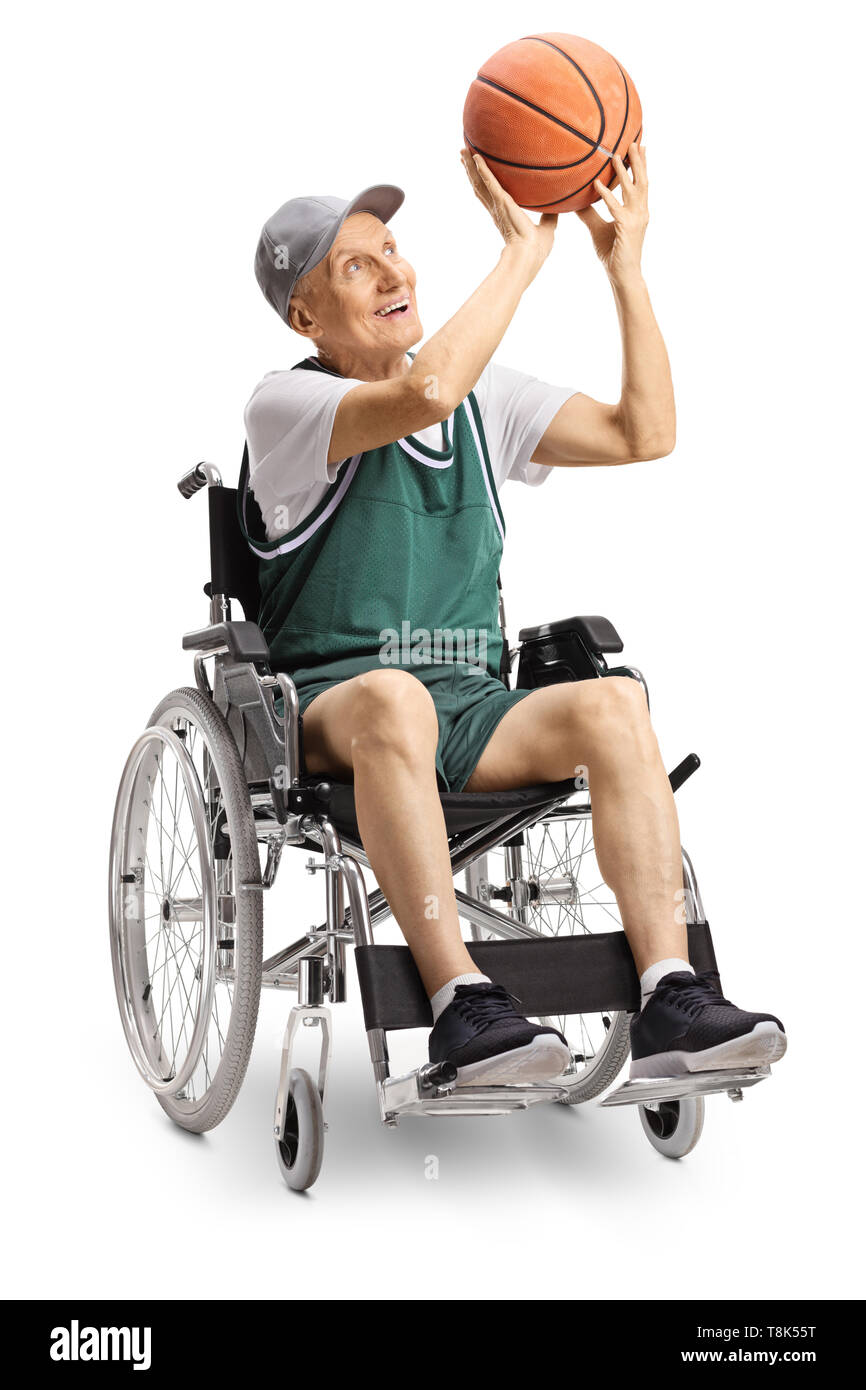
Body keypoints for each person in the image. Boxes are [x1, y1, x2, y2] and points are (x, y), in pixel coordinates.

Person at [244, 144, 786, 1086]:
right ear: (306, 314)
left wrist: (625, 269)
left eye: (391, 249)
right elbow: (422, 392)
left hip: (467, 704)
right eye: (354, 265)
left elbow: (644, 433)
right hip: (335, 707)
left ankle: (669, 994)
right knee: (393, 702)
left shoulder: (479, 398)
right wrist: (524, 254)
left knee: (614, 704)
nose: (392, 272)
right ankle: (462, 1002)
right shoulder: (285, 404)